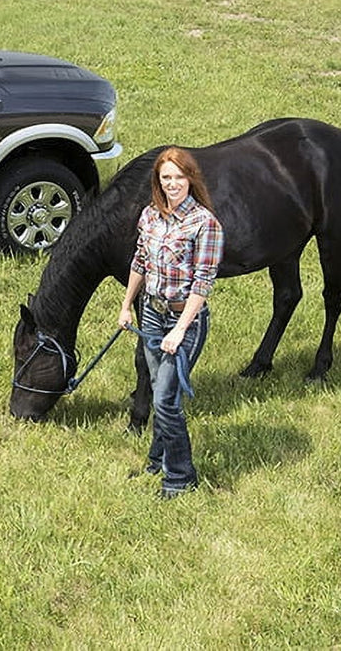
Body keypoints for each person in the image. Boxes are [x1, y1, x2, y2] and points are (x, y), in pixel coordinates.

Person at [118, 146, 224, 499]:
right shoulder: (150, 216)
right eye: (166, 178)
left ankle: (180, 477)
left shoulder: (205, 224)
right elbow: (140, 261)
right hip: (151, 313)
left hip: (185, 320)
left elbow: (203, 282)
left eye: (179, 177)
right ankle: (156, 459)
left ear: (190, 179)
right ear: (158, 181)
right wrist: (126, 305)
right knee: (154, 383)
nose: (173, 184)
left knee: (165, 400)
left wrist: (180, 330)